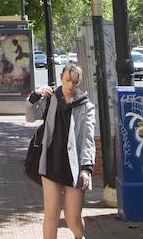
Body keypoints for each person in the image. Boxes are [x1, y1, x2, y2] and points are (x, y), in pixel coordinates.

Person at [26, 62, 95, 239]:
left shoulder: (86, 107)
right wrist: (36, 95)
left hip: (74, 168)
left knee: (73, 219)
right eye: (67, 80)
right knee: (51, 214)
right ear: (61, 78)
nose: (70, 85)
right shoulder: (51, 98)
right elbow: (30, 116)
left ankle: (80, 237)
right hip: (51, 163)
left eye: (74, 81)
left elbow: (88, 140)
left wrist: (86, 169)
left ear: (78, 82)